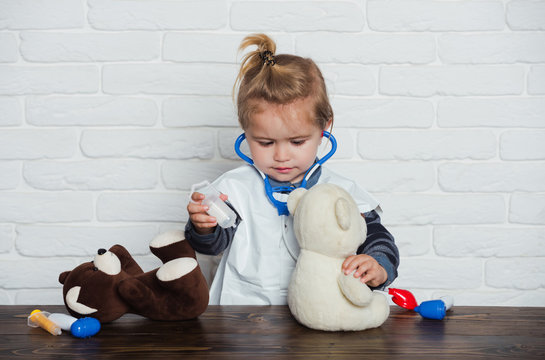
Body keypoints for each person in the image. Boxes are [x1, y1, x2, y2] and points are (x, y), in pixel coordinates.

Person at [185, 33, 399, 305]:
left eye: (297, 141)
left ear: (324, 128)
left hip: (322, 314)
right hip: (244, 318)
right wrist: (204, 227)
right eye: (265, 142)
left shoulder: (342, 192)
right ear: (246, 132)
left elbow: (378, 238)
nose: (281, 156)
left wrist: (377, 265)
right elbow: (211, 246)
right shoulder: (233, 189)